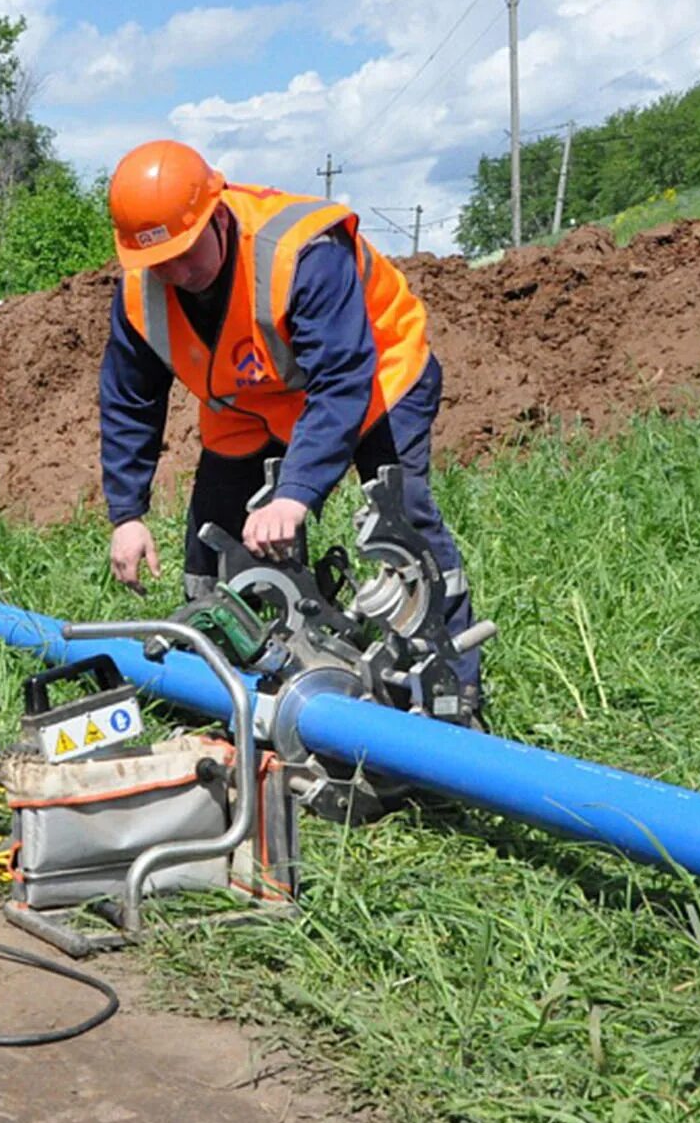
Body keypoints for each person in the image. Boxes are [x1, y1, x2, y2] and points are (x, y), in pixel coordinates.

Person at [97, 139, 483, 710]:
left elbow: (342, 379)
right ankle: (224, 681)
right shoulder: (139, 294)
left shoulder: (302, 252)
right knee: (215, 538)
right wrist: (127, 515)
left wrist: (295, 494)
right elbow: (130, 401)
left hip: (375, 370)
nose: (176, 273)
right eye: (159, 262)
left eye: (186, 251)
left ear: (217, 213)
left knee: (400, 521)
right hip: (251, 399)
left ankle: (453, 685)